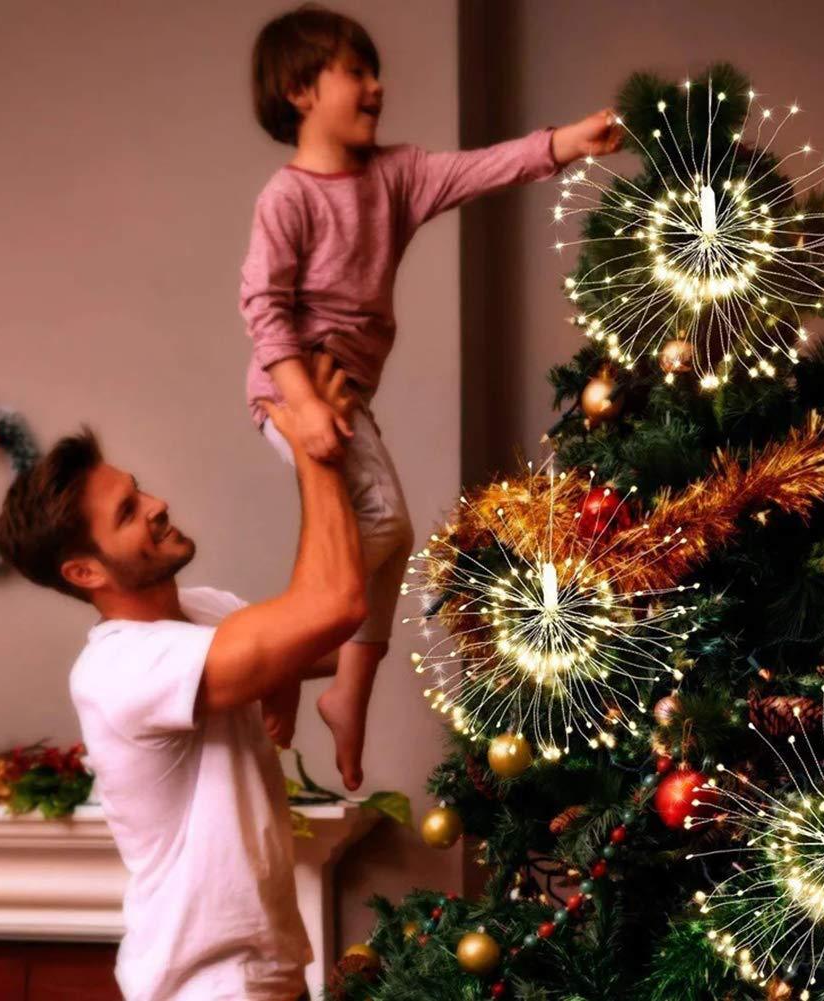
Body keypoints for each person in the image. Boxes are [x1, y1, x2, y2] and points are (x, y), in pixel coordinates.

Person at [241, 3, 625, 790]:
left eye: (375, 69)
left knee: (381, 548)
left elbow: (483, 167)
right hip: (293, 391)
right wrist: (303, 405)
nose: (378, 84)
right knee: (382, 525)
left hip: (344, 395)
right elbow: (262, 303)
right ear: (300, 89)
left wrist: (567, 144)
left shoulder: (397, 176)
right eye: (356, 71)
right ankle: (283, 652)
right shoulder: (289, 197)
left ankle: (346, 693)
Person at [0, 361, 363, 1001]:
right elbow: (335, 605)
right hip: (205, 985)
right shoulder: (118, 669)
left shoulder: (207, 611)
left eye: (140, 490)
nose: (158, 505)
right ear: (85, 573)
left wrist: (279, 676)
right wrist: (314, 452)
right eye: (129, 511)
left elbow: (331, 637)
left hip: (271, 970)